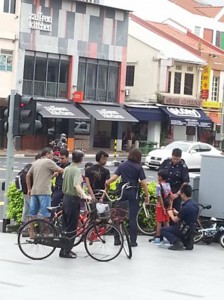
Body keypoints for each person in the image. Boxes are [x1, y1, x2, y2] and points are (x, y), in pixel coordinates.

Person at [105, 148, 150, 247]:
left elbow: (114, 178)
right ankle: (133, 241)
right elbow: (144, 183)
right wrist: (147, 195)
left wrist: (107, 182)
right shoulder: (138, 167)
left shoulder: (122, 165)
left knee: (119, 215)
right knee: (132, 217)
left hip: (123, 191)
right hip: (133, 192)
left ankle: (117, 239)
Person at [60, 150, 91, 259]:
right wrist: (84, 195)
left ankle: (64, 249)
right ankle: (66, 251)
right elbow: (77, 185)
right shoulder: (77, 170)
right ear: (81, 160)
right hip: (73, 200)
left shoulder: (67, 169)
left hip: (65, 199)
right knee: (72, 227)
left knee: (65, 226)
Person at [26, 148, 64, 219]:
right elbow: (61, 170)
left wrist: (29, 189)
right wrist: (70, 171)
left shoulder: (36, 162)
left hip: (34, 191)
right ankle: (46, 230)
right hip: (44, 191)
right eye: (52, 155)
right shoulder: (48, 162)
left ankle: (31, 230)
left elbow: (28, 175)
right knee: (46, 214)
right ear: (47, 154)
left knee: (32, 213)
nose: (52, 157)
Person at [161, 184, 199, 251]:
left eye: (181, 194)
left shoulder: (185, 207)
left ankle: (177, 242)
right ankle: (187, 242)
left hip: (182, 229)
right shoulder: (195, 205)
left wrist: (170, 214)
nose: (180, 196)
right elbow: (188, 215)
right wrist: (177, 213)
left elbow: (175, 220)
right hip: (192, 229)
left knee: (163, 229)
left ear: (183, 194)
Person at [158, 148, 189, 215]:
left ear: (180, 158)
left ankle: (173, 225)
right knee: (163, 211)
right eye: (174, 158)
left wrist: (177, 194)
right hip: (165, 189)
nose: (175, 161)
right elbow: (159, 174)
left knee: (174, 211)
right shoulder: (166, 162)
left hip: (176, 190)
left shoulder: (183, 167)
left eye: (177, 159)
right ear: (172, 156)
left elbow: (185, 182)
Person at [21, 153, 41, 225]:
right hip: (30, 191)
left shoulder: (28, 166)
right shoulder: (34, 167)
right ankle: (29, 228)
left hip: (24, 190)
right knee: (33, 210)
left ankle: (23, 226)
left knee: (26, 209)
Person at [152, 169, 171, 245]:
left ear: (161, 177)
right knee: (166, 222)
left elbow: (159, 197)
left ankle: (157, 238)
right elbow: (170, 196)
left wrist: (162, 208)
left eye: (158, 176)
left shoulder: (158, 186)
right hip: (167, 206)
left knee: (159, 222)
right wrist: (169, 207)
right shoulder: (168, 185)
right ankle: (167, 238)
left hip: (160, 206)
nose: (157, 177)